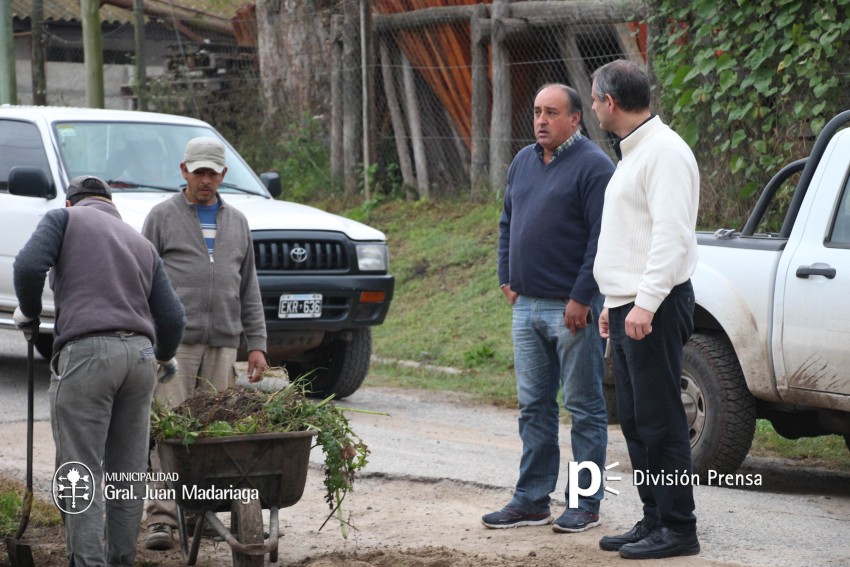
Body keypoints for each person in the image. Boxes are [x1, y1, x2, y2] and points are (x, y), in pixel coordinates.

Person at [12, 175, 186, 566]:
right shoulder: (139, 242)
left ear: (73, 203)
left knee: (80, 470)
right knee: (127, 473)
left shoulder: (64, 219)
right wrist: (165, 356)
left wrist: (31, 313)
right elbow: (173, 318)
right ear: (111, 206)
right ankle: (121, 559)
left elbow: (27, 266)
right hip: (141, 359)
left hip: (88, 353)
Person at [483, 84, 614, 533]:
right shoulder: (522, 160)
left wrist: (581, 296)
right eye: (537, 111)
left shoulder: (595, 167)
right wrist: (506, 276)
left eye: (552, 113)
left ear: (575, 119)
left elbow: (602, 239)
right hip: (526, 307)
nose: (541, 120)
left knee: (585, 408)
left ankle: (585, 503)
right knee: (533, 407)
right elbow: (507, 221)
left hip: (570, 308)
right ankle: (532, 500)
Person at [590, 59, 701, 560]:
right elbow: (631, 237)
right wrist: (613, 302)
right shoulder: (634, 154)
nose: (592, 107)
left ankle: (679, 529)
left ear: (610, 102)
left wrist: (646, 303)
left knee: (661, 423)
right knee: (636, 421)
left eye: (593, 100)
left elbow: (671, 238)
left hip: (651, 306)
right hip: (628, 305)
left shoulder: (664, 152)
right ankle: (654, 517)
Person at [141, 136, 269, 550]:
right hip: (173, 346)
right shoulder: (161, 217)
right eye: (198, 172)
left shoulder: (238, 223)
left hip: (222, 345)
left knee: (214, 435)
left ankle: (200, 515)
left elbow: (248, 288)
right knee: (170, 431)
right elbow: (143, 282)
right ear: (184, 171)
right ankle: (162, 520)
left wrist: (257, 345)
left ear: (223, 175)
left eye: (212, 173)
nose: (205, 181)